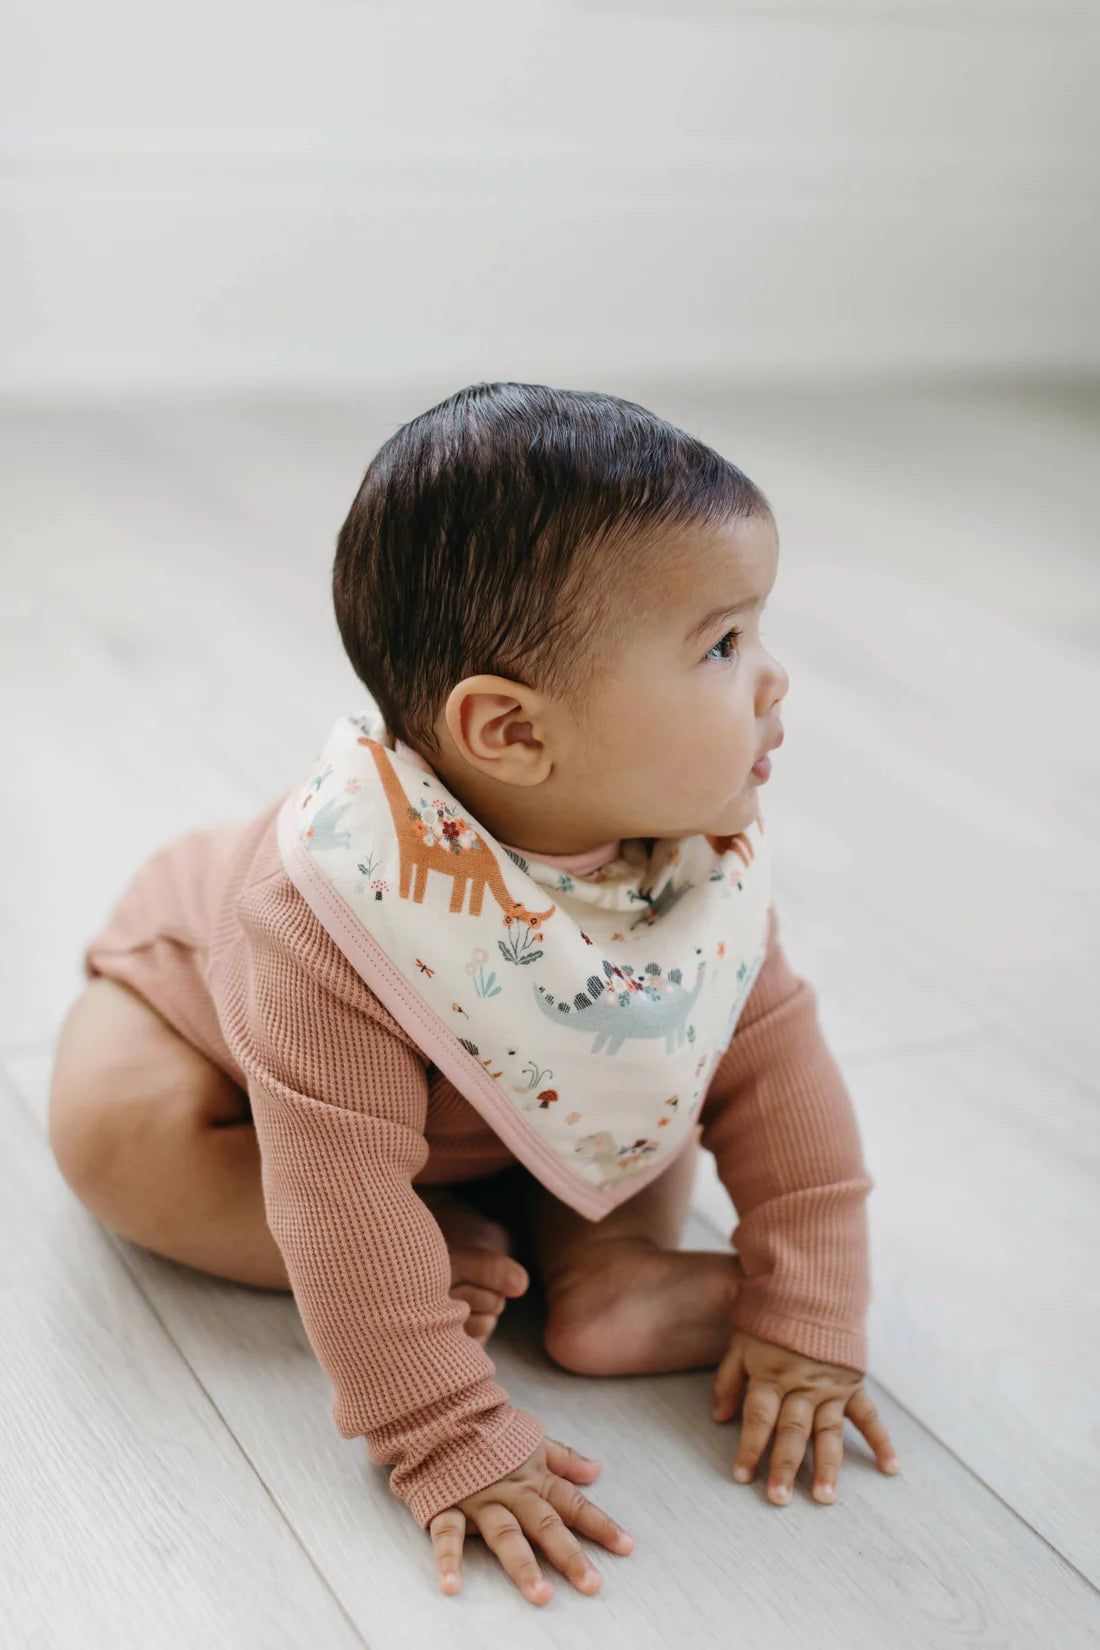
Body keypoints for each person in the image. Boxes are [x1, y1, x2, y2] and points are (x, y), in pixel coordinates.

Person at [47, 381, 900, 1608]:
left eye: (755, 633)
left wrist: (811, 1306)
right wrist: (444, 1428)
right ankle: (419, 1253)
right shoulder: (321, 913)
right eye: (721, 645)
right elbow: (336, 1185)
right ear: (506, 731)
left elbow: (773, 1084)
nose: (774, 679)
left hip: (518, 1090)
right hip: (233, 1069)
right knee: (114, 1140)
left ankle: (606, 1281)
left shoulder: (685, 853)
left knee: (656, 1061)